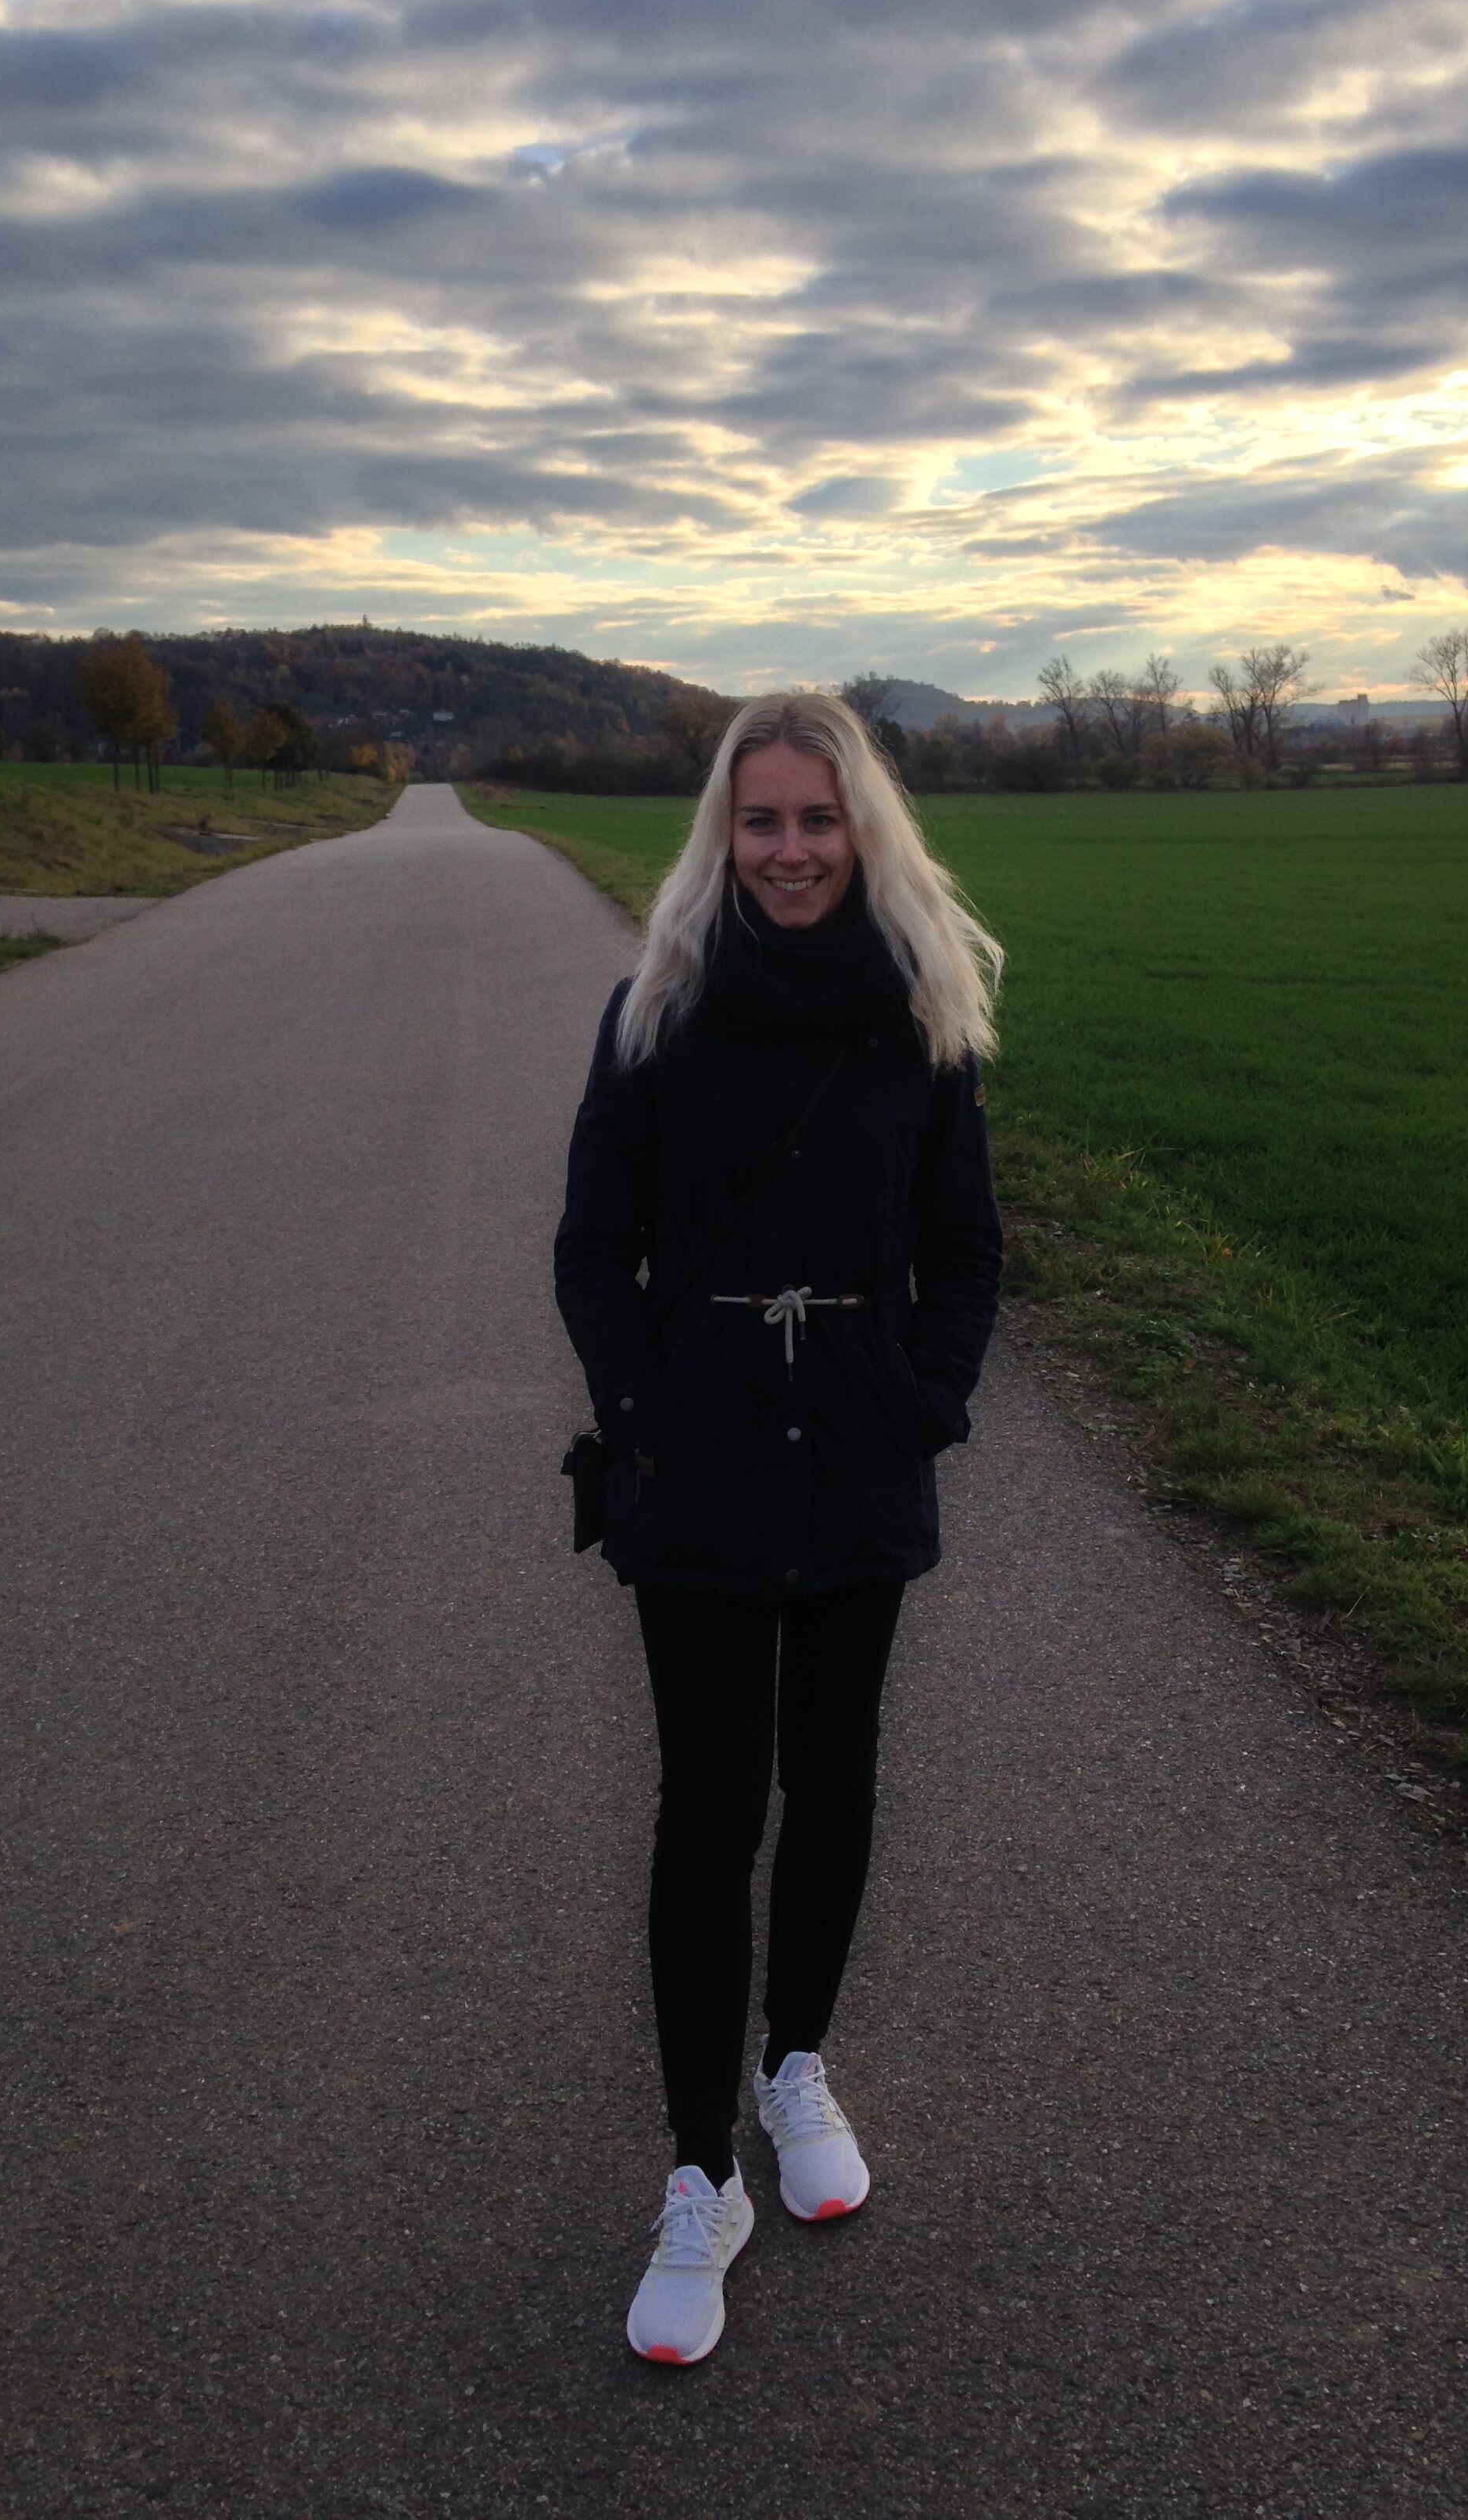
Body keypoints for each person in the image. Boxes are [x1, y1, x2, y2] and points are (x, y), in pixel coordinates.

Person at [553, 690, 1004, 2366]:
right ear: (721, 836)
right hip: (702, 1462)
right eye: (764, 822)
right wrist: (649, 1410)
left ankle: (795, 2062)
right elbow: (594, 1249)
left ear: (862, 829)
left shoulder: (920, 1016)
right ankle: (696, 2173)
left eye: (821, 820)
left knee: (838, 1777)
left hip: (860, 1455)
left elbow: (964, 1249)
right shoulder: (654, 1012)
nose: (794, 850)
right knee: (707, 1807)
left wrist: (923, 1398)